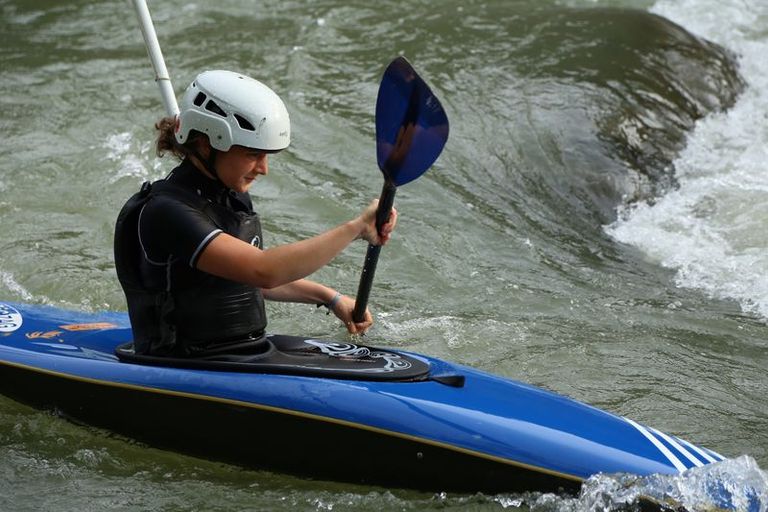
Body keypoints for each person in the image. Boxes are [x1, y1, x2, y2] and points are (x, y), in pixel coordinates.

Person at [114, 70, 397, 357]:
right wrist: (355, 228)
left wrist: (330, 298)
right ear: (205, 144)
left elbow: (245, 278)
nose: (263, 169)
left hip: (240, 351)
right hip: (184, 361)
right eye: (252, 155)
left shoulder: (231, 197)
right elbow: (263, 271)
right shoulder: (168, 212)